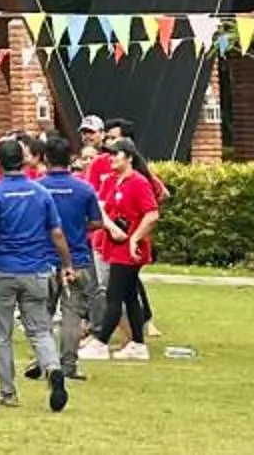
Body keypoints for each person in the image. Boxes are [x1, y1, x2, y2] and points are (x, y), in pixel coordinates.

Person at [0, 137, 70, 411]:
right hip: (37, 271)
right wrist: (67, 262)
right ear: (24, 161)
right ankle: (52, 367)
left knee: (1, 334)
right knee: (40, 329)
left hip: (3, 271)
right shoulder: (40, 193)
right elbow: (57, 233)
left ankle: (7, 392)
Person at [38, 134, 104, 371]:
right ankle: (68, 363)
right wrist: (78, 227)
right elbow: (97, 222)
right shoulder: (84, 189)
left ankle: (44, 360)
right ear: (70, 158)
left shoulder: (38, 188)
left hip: (44, 259)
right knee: (72, 313)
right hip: (78, 259)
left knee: (42, 312)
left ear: (46, 158)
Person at [92, 139, 162, 359]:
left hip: (130, 250)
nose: (111, 158)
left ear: (129, 157)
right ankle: (138, 344)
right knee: (130, 295)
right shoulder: (111, 181)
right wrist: (112, 229)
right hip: (114, 244)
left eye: (116, 154)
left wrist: (134, 238)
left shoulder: (139, 182)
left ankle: (101, 342)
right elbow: (100, 208)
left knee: (115, 295)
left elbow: (152, 214)